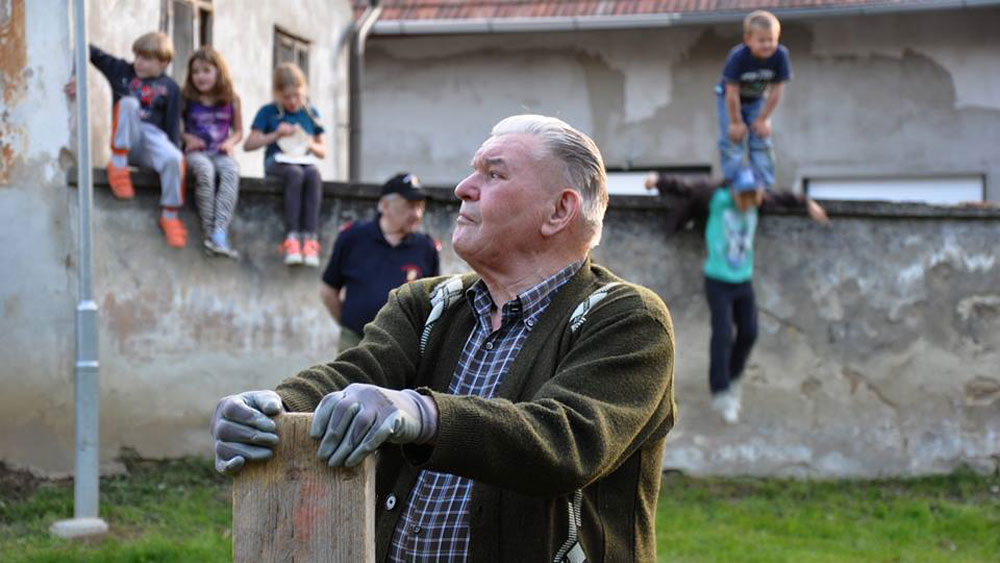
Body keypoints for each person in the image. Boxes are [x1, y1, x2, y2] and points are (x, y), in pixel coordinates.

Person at [212, 115, 676, 562]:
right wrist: (271, 407)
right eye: (474, 171)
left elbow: (566, 440)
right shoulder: (428, 303)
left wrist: (422, 412)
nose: (462, 188)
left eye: (493, 174)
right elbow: (355, 373)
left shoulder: (628, 318)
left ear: (559, 211)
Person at [646, 167, 827, 424]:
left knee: (750, 331)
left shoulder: (757, 203)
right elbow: (687, 187)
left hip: (743, 281)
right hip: (717, 279)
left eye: (752, 199)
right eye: (743, 198)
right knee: (722, 334)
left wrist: (807, 203)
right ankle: (720, 391)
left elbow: (783, 198)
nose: (747, 205)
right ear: (733, 192)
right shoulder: (717, 198)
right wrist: (658, 180)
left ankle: (733, 378)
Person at [65, 32, 187, 247]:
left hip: (151, 144)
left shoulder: (171, 88)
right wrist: (75, 75)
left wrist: (172, 166)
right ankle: (118, 166)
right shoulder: (121, 70)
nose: (138, 62)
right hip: (126, 137)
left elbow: (172, 130)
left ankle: (169, 215)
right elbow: (86, 47)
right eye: (137, 56)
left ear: (164, 62)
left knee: (174, 157)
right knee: (129, 104)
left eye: (147, 58)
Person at [320, 173, 440, 352]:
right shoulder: (353, 238)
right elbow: (328, 290)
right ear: (385, 205)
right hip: (355, 342)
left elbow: (434, 301)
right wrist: (349, 325)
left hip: (404, 348)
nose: (417, 214)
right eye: (409, 205)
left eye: (420, 206)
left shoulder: (426, 247)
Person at [244, 63, 326, 267]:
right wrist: (276, 134)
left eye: (296, 96)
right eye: (287, 97)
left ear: (304, 91)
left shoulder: (310, 112)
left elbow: (322, 150)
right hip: (278, 162)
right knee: (295, 174)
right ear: (277, 94)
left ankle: (309, 239)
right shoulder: (268, 112)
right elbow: (249, 144)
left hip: (303, 160)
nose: (292, 101)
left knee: (313, 174)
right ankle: (291, 238)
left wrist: (307, 141)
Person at [716, 10, 791, 187]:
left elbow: (777, 90)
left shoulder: (780, 55)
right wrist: (735, 122)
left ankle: (764, 186)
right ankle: (732, 185)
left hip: (757, 100)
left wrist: (763, 119)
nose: (767, 45)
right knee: (733, 141)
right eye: (762, 40)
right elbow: (731, 91)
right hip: (729, 100)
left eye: (771, 40)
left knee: (761, 139)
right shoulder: (738, 57)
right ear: (748, 39)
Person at [181, 46, 243, 259]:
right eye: (196, 72)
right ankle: (209, 232)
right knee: (205, 172)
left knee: (231, 172)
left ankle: (220, 232)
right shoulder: (186, 98)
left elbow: (239, 131)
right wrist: (187, 138)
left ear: (219, 72)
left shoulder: (232, 99)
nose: (200, 76)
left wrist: (230, 142)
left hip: (220, 152)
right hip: (196, 153)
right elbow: (176, 129)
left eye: (206, 70)